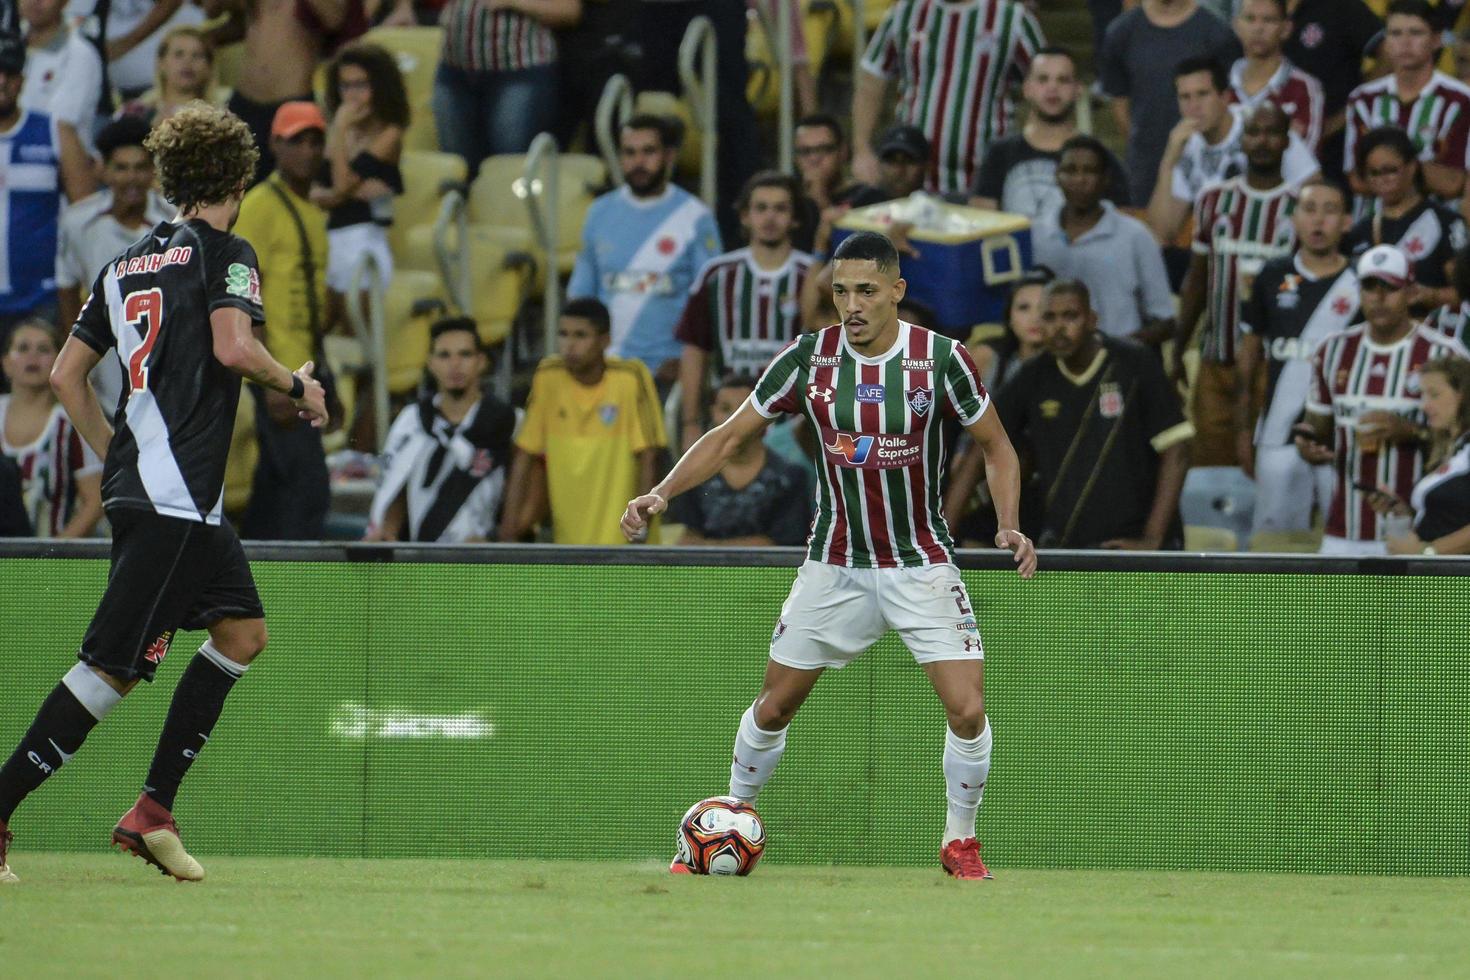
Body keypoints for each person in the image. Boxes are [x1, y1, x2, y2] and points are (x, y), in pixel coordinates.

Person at [621, 231, 1037, 881]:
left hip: (919, 562)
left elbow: (997, 445)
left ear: (897, 292)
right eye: (840, 291)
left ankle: (961, 840)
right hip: (834, 564)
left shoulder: (940, 360)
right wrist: (661, 492)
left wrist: (1009, 523)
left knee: (968, 707)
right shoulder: (807, 360)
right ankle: (729, 817)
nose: (852, 304)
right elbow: (729, 437)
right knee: (775, 706)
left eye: (866, 290)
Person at [0, 103, 328, 885]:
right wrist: (298, 386)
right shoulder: (229, 251)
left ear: (170, 180)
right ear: (242, 178)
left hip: (167, 495)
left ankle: (152, 810)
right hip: (174, 499)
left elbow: (66, 377)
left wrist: (120, 457)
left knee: (243, 633)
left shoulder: (123, 265)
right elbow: (233, 344)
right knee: (108, 669)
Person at [991, 279, 1192, 549]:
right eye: (1050, 317)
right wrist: (946, 540)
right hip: (1066, 543)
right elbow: (981, 447)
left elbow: (1177, 449)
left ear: (1092, 320)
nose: (1059, 328)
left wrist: (1151, 539)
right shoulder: (1033, 374)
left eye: (1070, 316)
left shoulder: (1135, 362)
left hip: (1133, 541)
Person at [1296, 244, 1469, 554]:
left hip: (1416, 531)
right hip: (1344, 524)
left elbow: (1462, 438)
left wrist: (1410, 431)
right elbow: (1318, 425)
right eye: (1369, 287)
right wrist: (1308, 443)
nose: (1378, 297)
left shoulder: (1444, 354)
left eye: (1389, 287)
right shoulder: (1333, 351)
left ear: (1411, 292)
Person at [1177, 102, 1301, 468]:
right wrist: (1180, 347)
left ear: (1287, 140)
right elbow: (1197, 280)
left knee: (1266, 469)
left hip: (1272, 367)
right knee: (1211, 469)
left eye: (1272, 132)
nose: (1262, 141)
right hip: (1216, 359)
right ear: (1242, 141)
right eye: (1253, 132)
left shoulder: (1301, 208)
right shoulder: (1214, 200)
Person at [232, 101, 334, 540]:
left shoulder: (311, 211)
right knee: (306, 491)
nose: (308, 151)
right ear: (274, 144)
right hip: (278, 375)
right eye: (298, 141)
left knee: (276, 492)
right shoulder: (259, 207)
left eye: (316, 141)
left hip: (300, 370)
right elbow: (246, 297)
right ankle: (295, 591)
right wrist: (271, 378)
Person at [1236, 177, 1358, 534]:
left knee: (1348, 537)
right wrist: (1243, 432)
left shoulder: (1364, 282)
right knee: (1275, 546)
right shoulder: (1271, 275)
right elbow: (1249, 360)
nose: (1318, 221)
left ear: (1347, 221)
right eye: (1309, 209)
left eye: (1330, 210)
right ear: (1294, 219)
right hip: (1277, 432)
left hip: (1343, 438)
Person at [568, 115, 722, 391]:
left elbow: (711, 301)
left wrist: (687, 363)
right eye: (629, 152)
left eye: (648, 151)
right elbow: (581, 299)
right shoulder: (599, 213)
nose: (638, 162)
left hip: (668, 373)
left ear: (669, 156)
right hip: (606, 372)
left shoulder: (695, 217)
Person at [501, 298, 666, 546]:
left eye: (580, 335)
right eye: (563, 334)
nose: (569, 345)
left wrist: (641, 530)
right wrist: (507, 533)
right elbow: (525, 454)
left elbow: (650, 455)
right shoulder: (548, 377)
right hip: (569, 543)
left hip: (625, 543)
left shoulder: (630, 377)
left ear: (605, 340)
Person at [676, 171, 815, 452]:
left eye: (780, 208)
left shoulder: (811, 275)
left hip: (793, 424)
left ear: (795, 218)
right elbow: (695, 349)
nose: (770, 217)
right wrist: (690, 422)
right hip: (728, 420)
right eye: (760, 208)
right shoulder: (716, 275)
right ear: (744, 216)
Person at [854, 0, 1045, 196]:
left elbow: (1047, 84)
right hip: (911, 178)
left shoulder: (1011, 18)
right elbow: (871, 81)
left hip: (986, 181)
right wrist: (862, 150)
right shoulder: (904, 13)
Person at [365, 317, 516, 543]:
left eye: (465, 354)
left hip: (483, 556)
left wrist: (499, 540)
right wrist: (388, 529)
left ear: (481, 361)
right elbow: (393, 481)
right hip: (422, 556)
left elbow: (521, 489)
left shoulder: (507, 421)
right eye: (444, 355)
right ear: (430, 363)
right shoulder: (412, 420)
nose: (454, 364)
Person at [1148, 57, 1318, 243]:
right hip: (1218, 251)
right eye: (1185, 97)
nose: (1194, 106)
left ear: (1225, 97)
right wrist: (1167, 163)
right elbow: (1161, 235)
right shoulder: (1183, 145)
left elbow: (1314, 189)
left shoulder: (1261, 125)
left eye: (1203, 94)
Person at [0, 31, 96, 354]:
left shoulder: (55, 132)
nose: (1, 81)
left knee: (47, 399)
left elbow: (87, 214)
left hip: (42, 300)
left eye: (10, 73)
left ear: (23, 80)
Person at [204, 0, 367, 184]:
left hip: (291, 104)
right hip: (244, 100)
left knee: (287, 192)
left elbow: (334, 18)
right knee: (223, 186)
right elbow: (213, 10)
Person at [1033, 136, 1176, 344]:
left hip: (1119, 365)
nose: (1080, 179)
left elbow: (1165, 321)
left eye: (1090, 171)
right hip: (1052, 362)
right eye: (1070, 170)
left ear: (1105, 178)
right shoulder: (1037, 235)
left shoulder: (1135, 236)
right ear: (1057, 176)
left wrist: (1114, 352)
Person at [1099, 0, 1241, 206]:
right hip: (1146, 168)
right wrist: (1144, 149)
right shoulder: (1121, 32)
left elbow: (1230, 101)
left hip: (1208, 168)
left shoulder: (1217, 33)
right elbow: (1120, 101)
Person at [969, 46, 1131, 220]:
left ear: (1078, 90)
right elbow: (980, 225)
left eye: (1063, 80)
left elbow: (1122, 226)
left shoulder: (1100, 157)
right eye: (1043, 79)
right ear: (1027, 89)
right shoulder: (999, 153)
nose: (1053, 87)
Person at [56, 117, 173, 337]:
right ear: (105, 171)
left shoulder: (175, 221)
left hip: (164, 346)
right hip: (102, 348)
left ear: (153, 171)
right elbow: (67, 291)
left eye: (140, 167)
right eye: (121, 168)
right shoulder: (77, 222)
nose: (132, 178)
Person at [431, 0, 580, 173]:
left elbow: (570, 11)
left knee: (509, 170)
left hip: (520, 72)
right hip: (454, 72)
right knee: (456, 170)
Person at [1344, 0, 1470, 203]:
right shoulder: (1362, 99)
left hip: (1437, 230)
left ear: (1437, 40)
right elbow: (1357, 179)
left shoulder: (1462, 100)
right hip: (1372, 228)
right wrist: (1422, 170)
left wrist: (1385, 167)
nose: (1405, 42)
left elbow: (1453, 183)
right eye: (1395, 33)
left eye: (1416, 33)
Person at [310, 42, 407, 302]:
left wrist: (340, 128)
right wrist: (344, 194)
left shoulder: (389, 133)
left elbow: (340, 184)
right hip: (328, 235)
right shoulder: (337, 132)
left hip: (365, 239)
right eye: (345, 86)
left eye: (361, 85)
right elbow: (315, 192)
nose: (352, 96)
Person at [668, 373, 810, 547]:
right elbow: (687, 539)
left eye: (742, 410)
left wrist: (708, 547)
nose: (732, 419)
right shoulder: (695, 474)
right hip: (704, 573)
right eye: (725, 409)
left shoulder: (790, 477)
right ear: (713, 412)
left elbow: (783, 545)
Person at [1344, 126, 1465, 312]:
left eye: (1391, 170)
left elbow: (1464, 290)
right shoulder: (1360, 232)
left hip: (1432, 329)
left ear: (1412, 167)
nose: (1383, 179)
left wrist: (1432, 296)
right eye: (1374, 173)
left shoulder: (1446, 223)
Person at [0, 319, 102, 537]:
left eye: (44, 349)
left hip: (54, 561)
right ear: (6, 363)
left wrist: (55, 552)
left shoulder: (74, 421)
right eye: (23, 348)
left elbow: (95, 502)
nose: (33, 356)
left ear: (60, 361)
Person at [1365, 355, 1470, 553]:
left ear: (1462, 394)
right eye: (1423, 395)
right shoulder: (1453, 448)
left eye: (1434, 394)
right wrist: (1404, 512)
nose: (1424, 405)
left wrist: (1428, 551)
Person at [1228, 0, 1325, 150]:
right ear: (1236, 25)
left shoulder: (1305, 88)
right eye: (1250, 19)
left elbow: (1306, 158)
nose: (1258, 28)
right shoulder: (1219, 87)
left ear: (1286, 28)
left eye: (1268, 20)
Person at [19, 0, 103, 152]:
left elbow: (59, 123)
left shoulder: (80, 54)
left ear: (65, 2)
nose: (35, 1)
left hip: (62, 165)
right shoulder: (8, 48)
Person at [116, 25, 219, 127]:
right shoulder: (134, 112)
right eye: (179, 54)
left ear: (209, 67)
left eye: (197, 55)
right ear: (161, 63)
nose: (187, 62)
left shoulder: (220, 118)